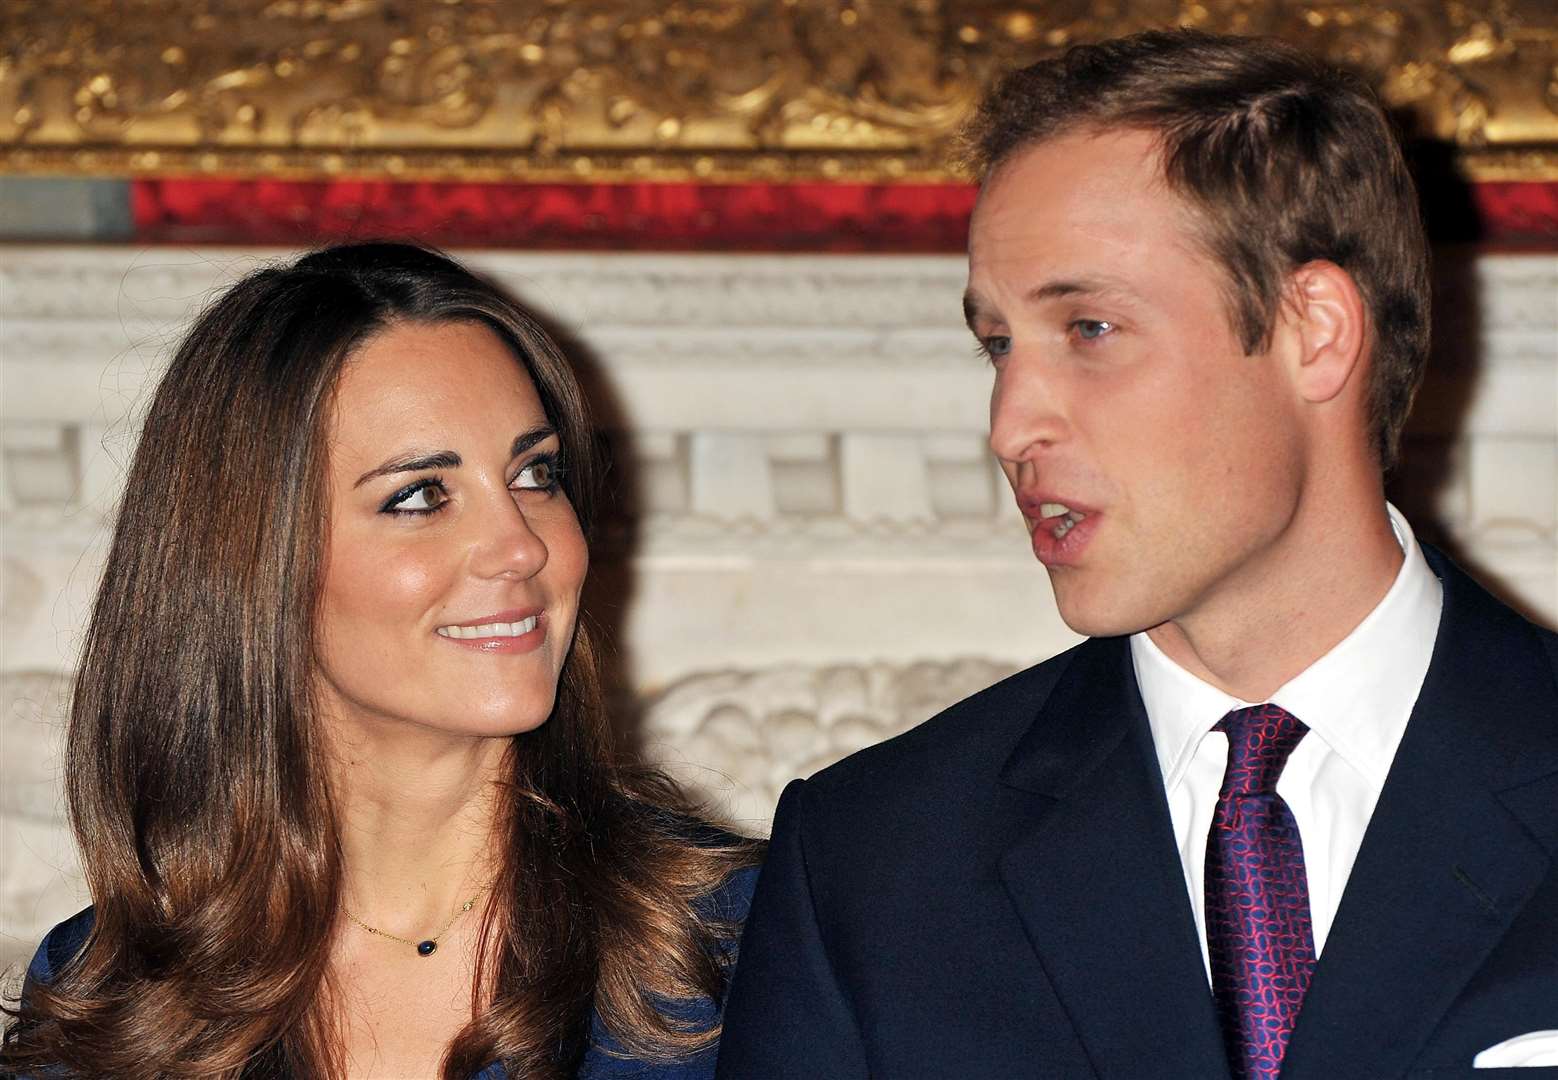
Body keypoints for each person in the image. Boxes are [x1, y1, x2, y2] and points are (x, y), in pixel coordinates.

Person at [717, 29, 1558, 1080]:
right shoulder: (873, 861)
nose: (1009, 423)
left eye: (1090, 329)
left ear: (1315, 331)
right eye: (996, 345)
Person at [1, 243, 761, 1079]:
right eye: (419, 496)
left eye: (536, 474)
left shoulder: (737, 940)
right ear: (253, 567)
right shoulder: (116, 999)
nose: (519, 545)